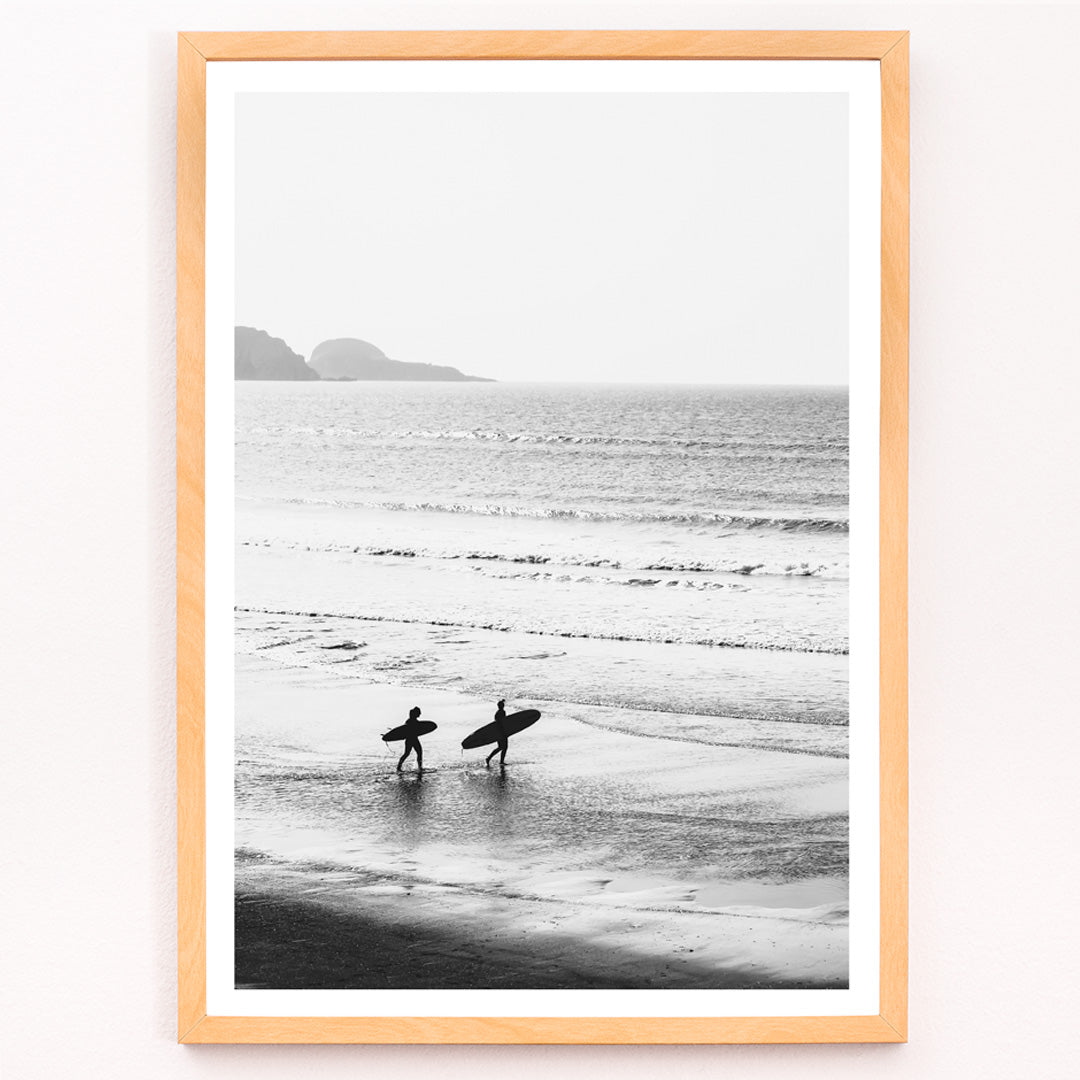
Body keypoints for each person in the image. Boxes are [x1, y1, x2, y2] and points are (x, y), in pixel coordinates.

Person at [397, 706, 425, 772]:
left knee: (417, 753)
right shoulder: (410, 721)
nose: (420, 714)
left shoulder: (413, 721)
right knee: (409, 753)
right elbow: (404, 730)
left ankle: (419, 767)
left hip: (413, 739)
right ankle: (399, 767)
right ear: (415, 713)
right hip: (411, 740)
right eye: (419, 713)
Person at [486, 699, 509, 768]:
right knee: (503, 747)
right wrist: (505, 732)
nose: (503, 706)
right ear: (501, 706)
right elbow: (502, 723)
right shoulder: (502, 712)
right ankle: (494, 759)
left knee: (501, 747)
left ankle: (490, 758)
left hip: (498, 732)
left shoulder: (498, 713)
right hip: (502, 732)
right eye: (502, 705)